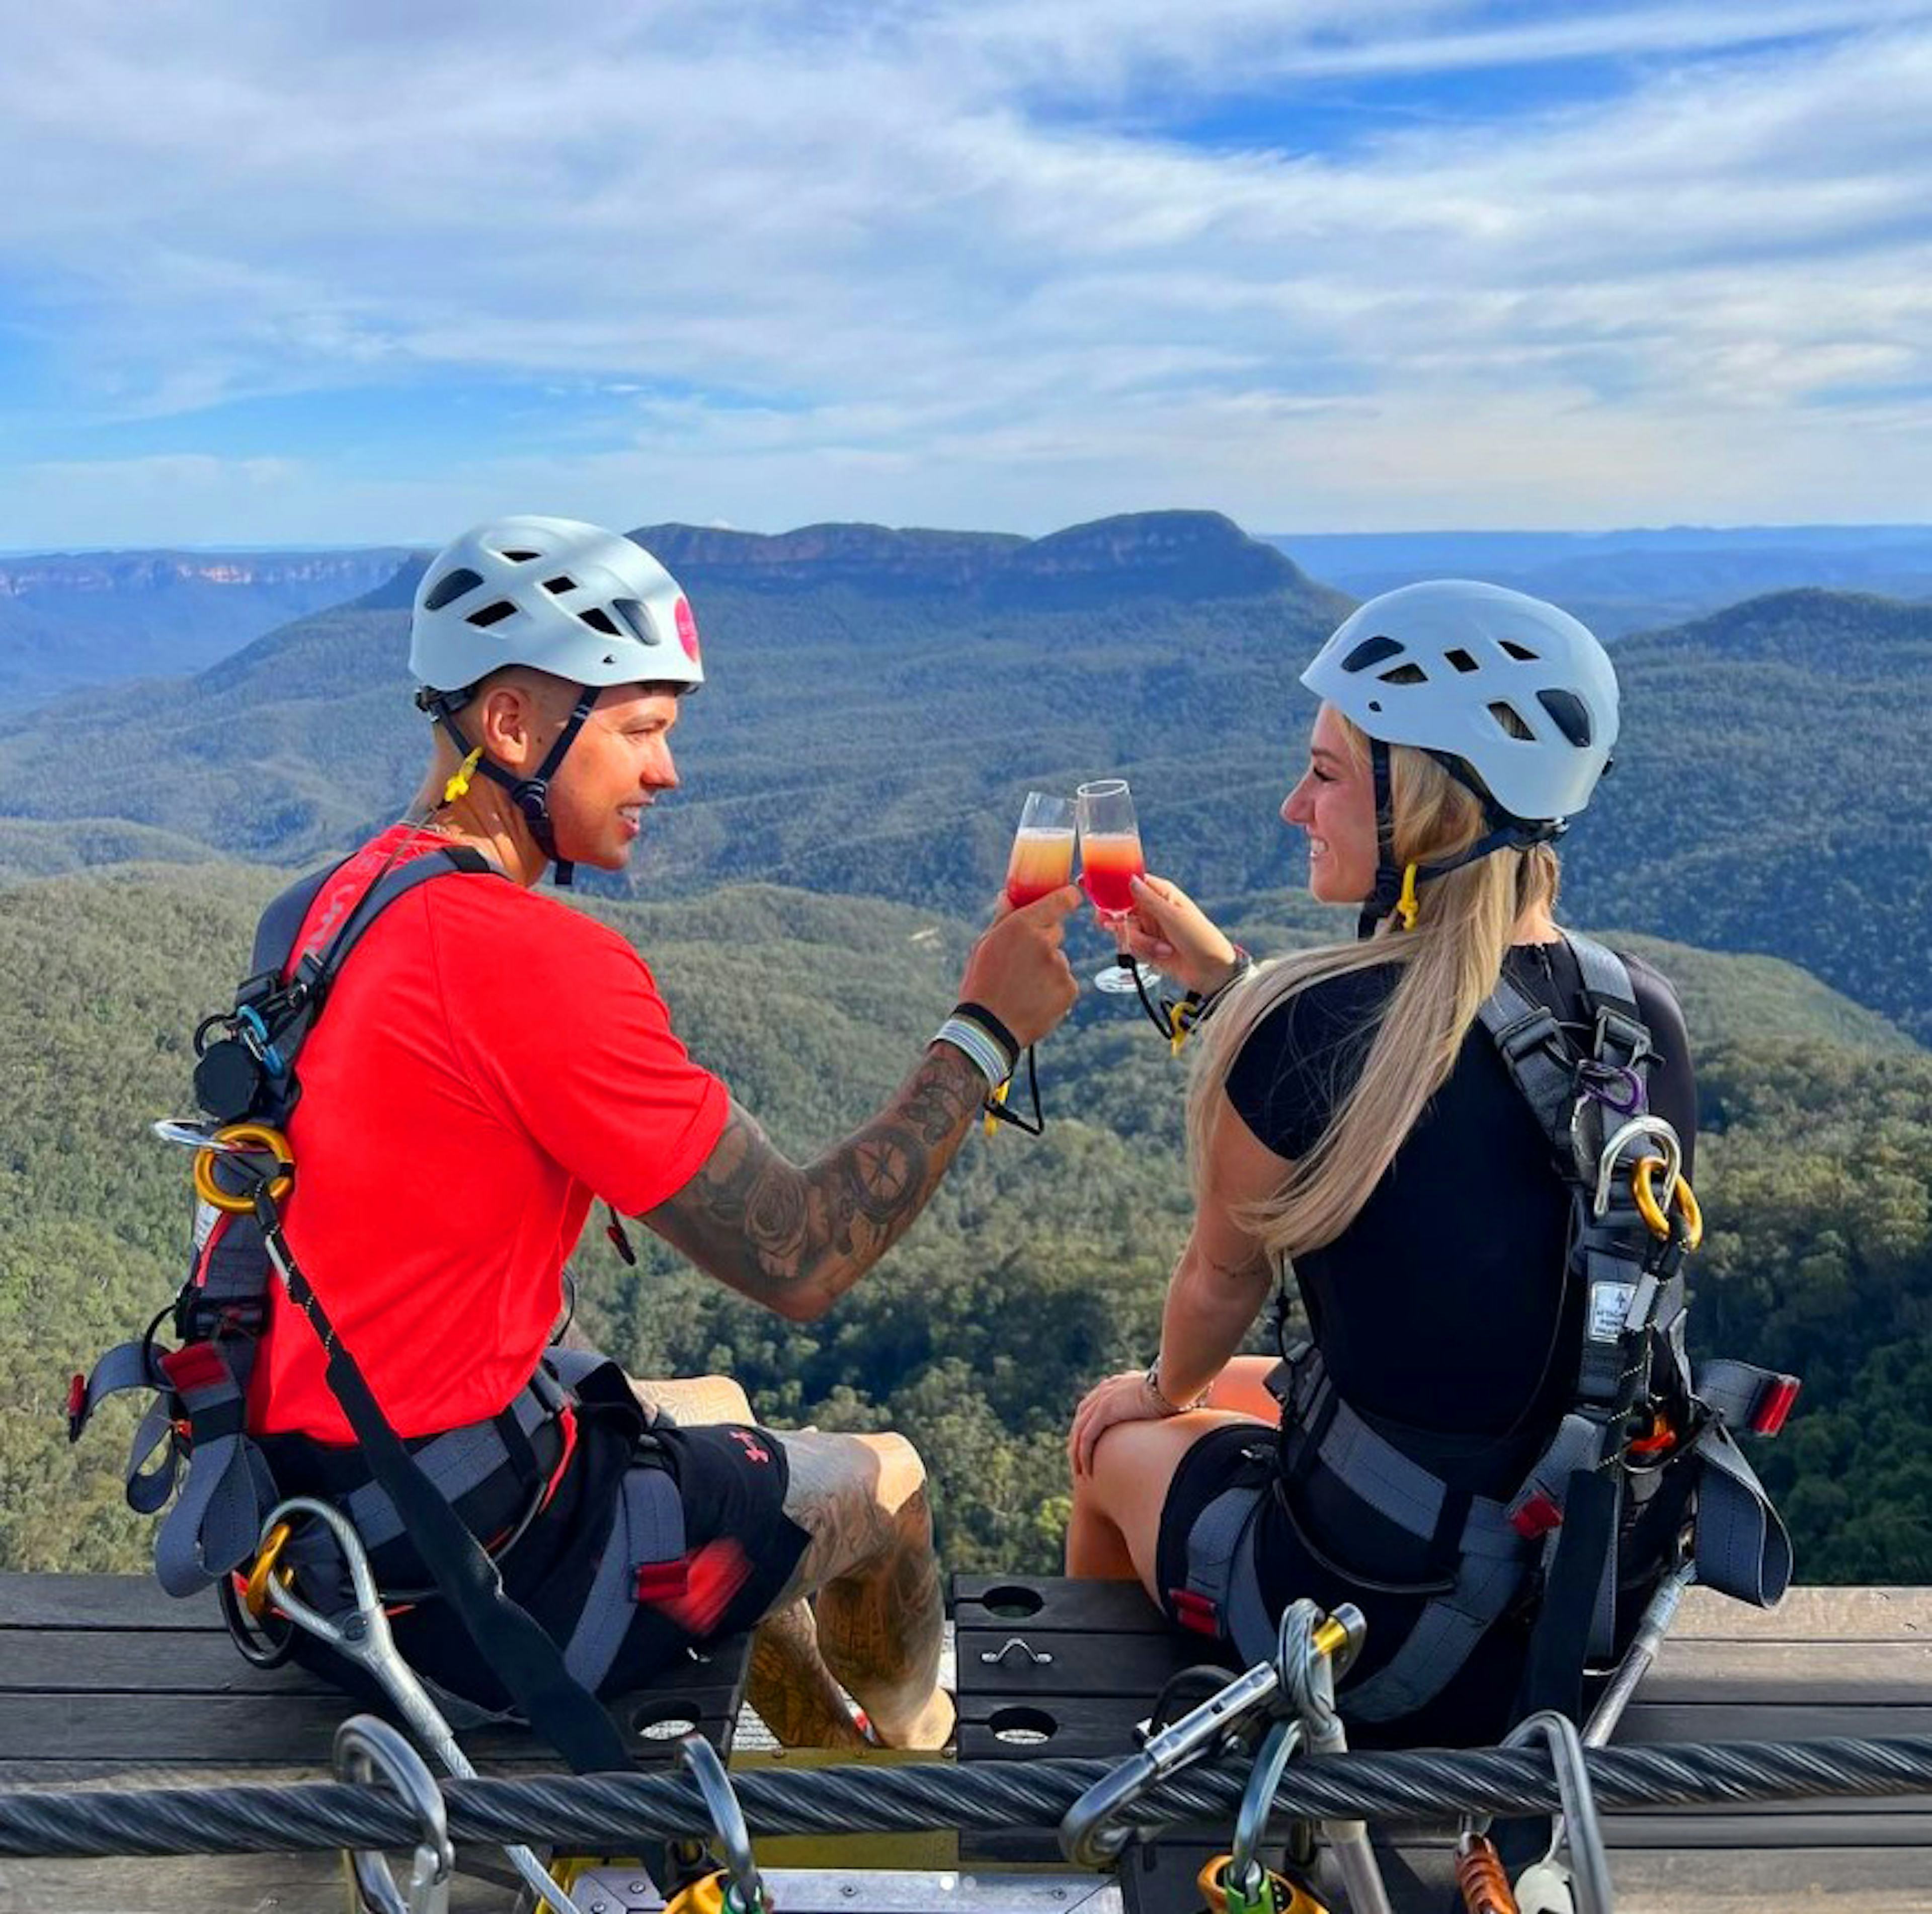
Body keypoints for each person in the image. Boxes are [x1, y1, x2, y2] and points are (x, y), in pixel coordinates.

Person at [247, 514, 1081, 1749]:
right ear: (515, 727)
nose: (667, 773)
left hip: (302, 1533)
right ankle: (910, 1767)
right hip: (467, 1588)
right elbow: (801, 1255)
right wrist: (981, 1033)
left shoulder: (320, 907)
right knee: (888, 1475)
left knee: (724, 1404)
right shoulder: (530, 961)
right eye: (639, 730)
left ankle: (811, 1746)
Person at [1064, 579, 1702, 1747]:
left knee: (1115, 1437)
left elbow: (1218, 1284)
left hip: (1390, 1637)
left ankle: (1109, 1739)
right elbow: (1442, 1097)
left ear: (1424, 803)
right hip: (1584, 1605)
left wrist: (1158, 1394)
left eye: (1326, 773)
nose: (1291, 804)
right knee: (1261, 1387)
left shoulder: (1309, 1027)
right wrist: (1228, 986)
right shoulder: (1637, 1015)